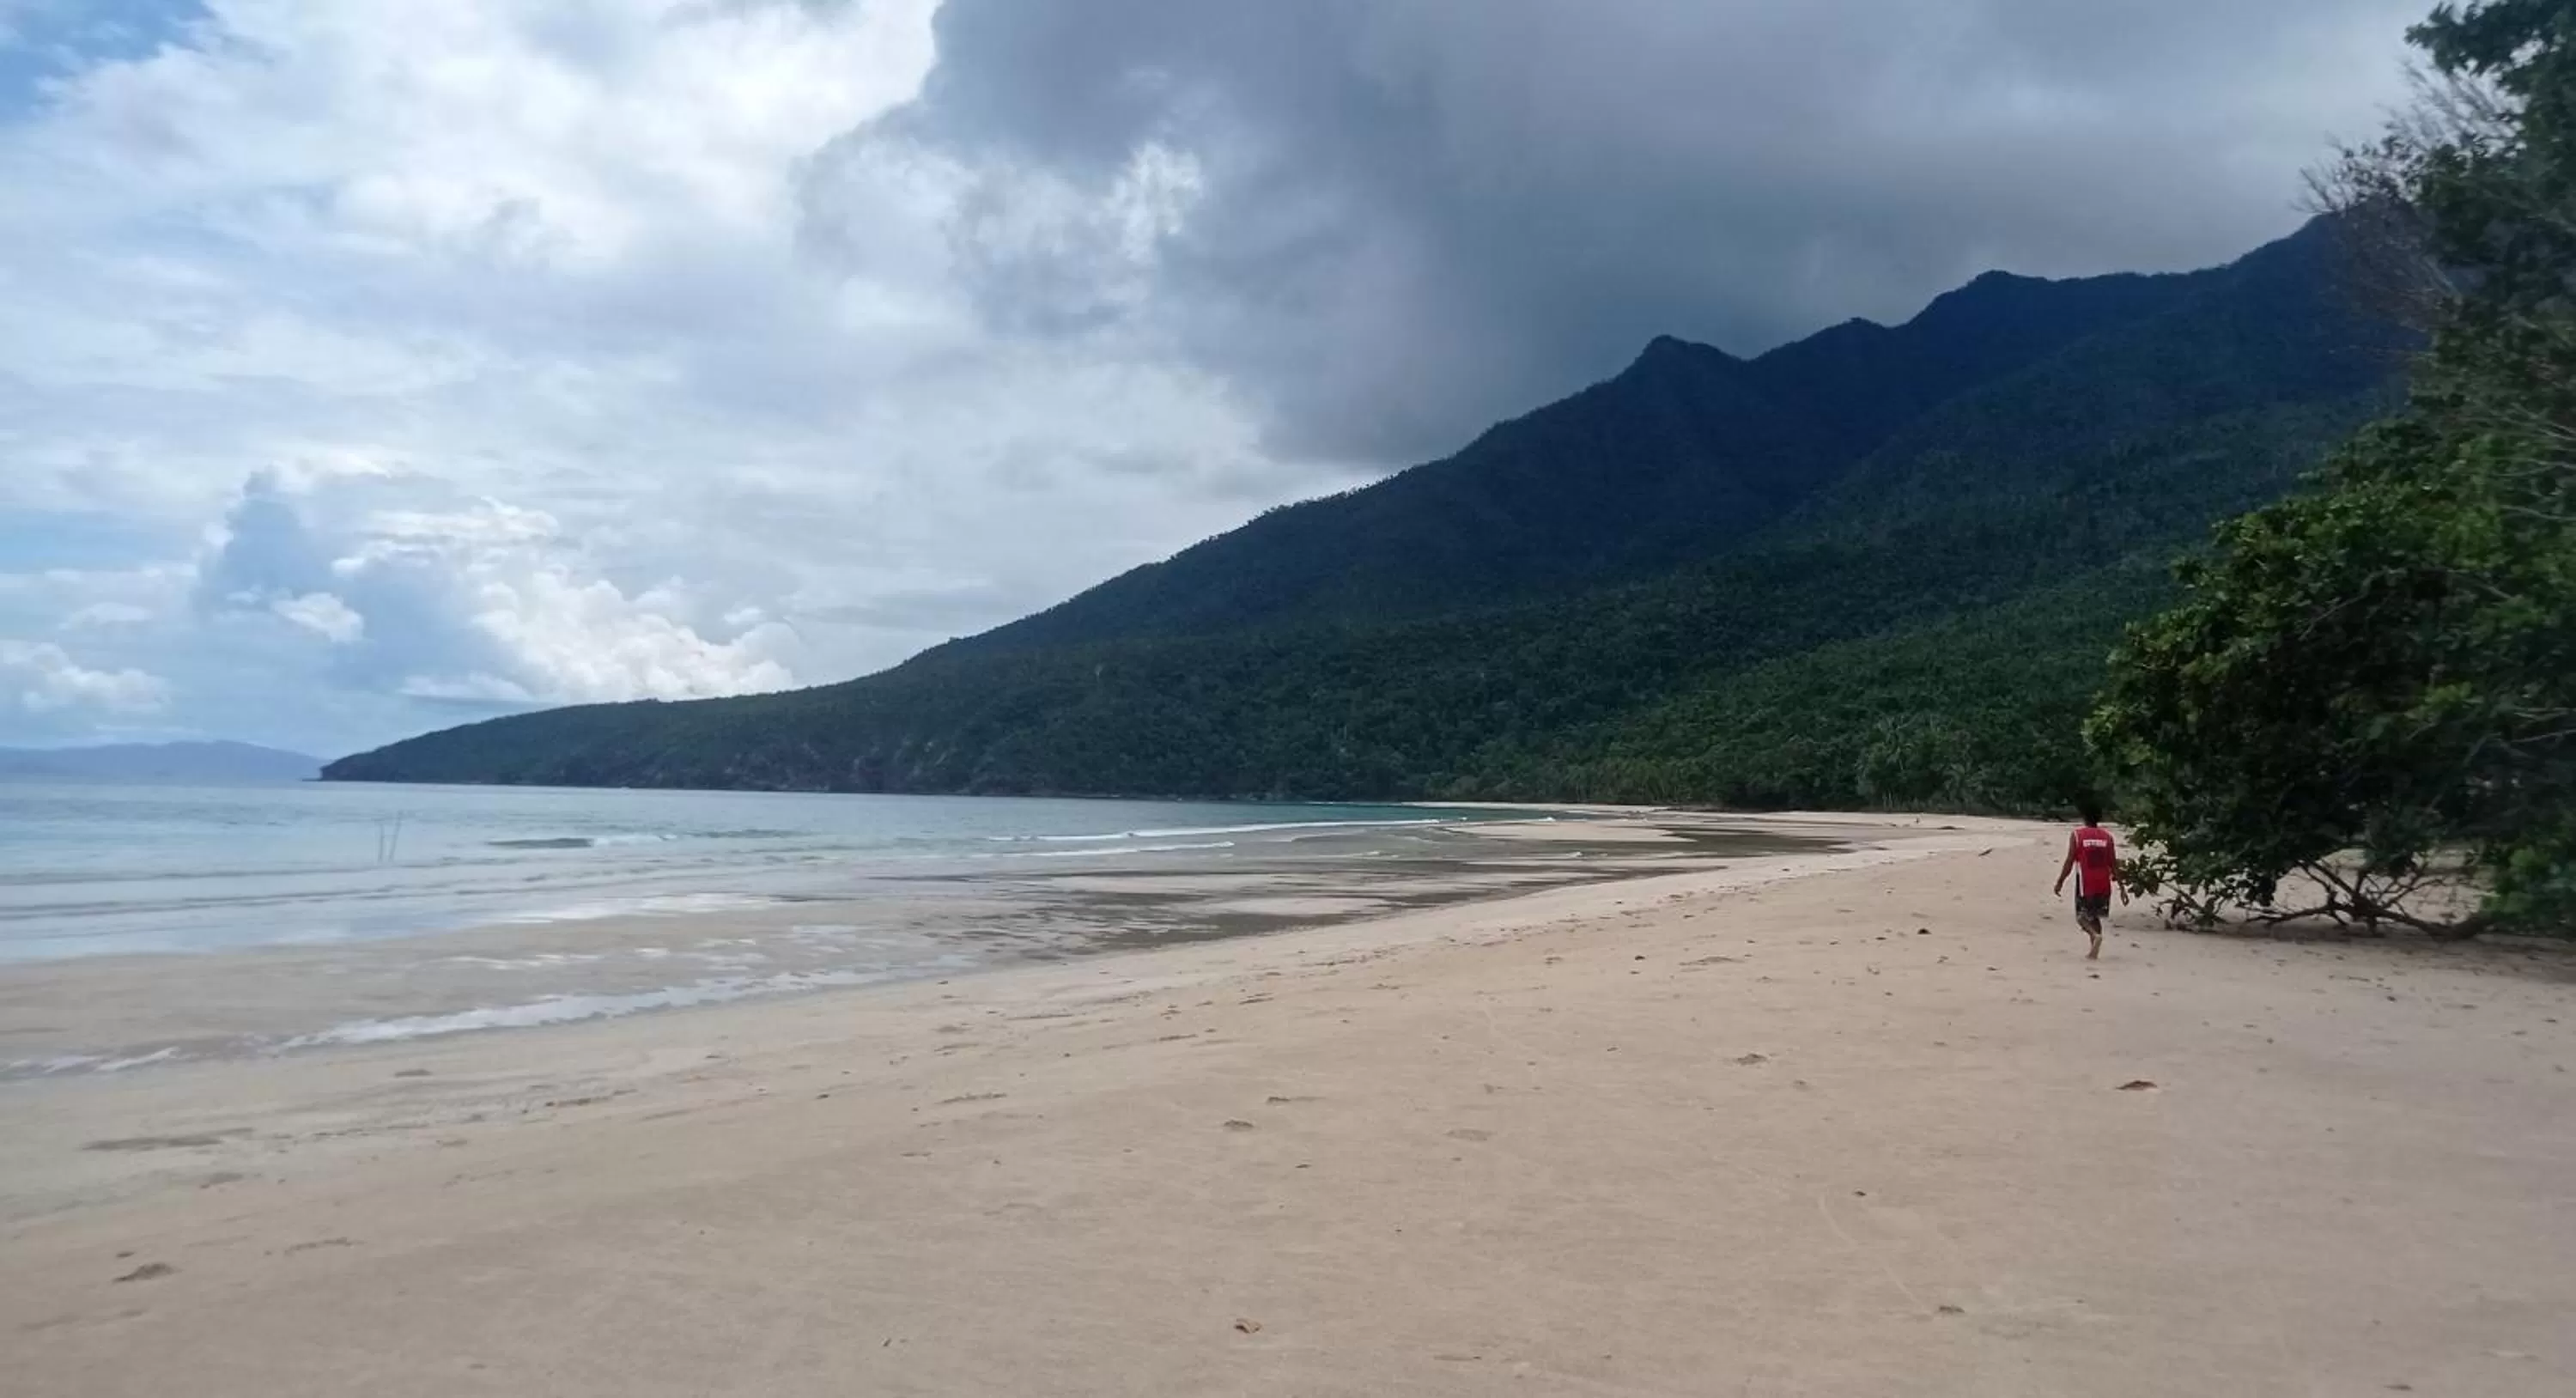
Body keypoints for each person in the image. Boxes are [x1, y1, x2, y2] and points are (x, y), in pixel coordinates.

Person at [2052, 803, 2119, 959]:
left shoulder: (2077, 835)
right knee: (2095, 916)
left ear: (2084, 818)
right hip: (2103, 882)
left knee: (2082, 917)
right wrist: (2121, 886)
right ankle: (2093, 950)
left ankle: (2094, 936)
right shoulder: (2107, 837)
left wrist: (2060, 881)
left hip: (2086, 882)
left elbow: (2070, 861)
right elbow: (2113, 863)